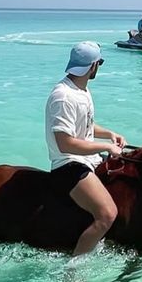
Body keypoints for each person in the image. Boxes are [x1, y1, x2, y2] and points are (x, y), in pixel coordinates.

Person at [45, 41, 127, 257]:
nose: (98, 67)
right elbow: (65, 143)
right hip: (68, 165)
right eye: (99, 63)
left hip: (88, 159)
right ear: (92, 66)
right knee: (107, 214)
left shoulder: (81, 90)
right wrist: (106, 147)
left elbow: (86, 127)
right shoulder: (63, 96)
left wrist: (109, 134)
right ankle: (74, 270)